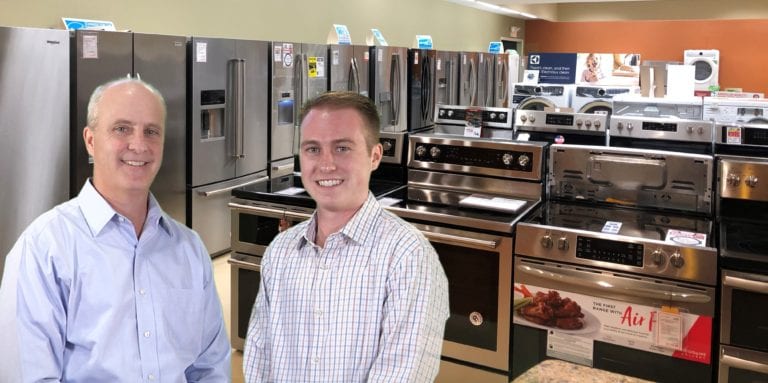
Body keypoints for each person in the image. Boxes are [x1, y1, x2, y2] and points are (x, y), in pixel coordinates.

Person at [0, 78, 231, 382]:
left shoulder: (189, 249)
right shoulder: (44, 248)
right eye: (121, 129)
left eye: (151, 131)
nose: (139, 145)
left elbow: (209, 367)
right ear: (91, 140)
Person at [243, 91, 449, 382]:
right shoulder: (281, 251)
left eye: (342, 148)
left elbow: (402, 374)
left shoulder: (408, 256)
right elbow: (259, 355)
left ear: (375, 156)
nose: (325, 164)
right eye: (312, 149)